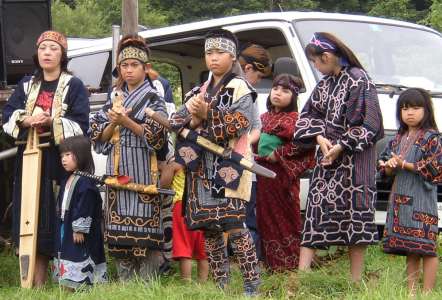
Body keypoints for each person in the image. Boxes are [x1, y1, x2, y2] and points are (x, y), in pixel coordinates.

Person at [170, 29, 260, 296]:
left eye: (220, 52)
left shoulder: (241, 87)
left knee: (234, 226)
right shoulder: (199, 90)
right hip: (201, 169)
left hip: (230, 165)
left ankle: (251, 285)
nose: (214, 58)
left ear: (232, 56)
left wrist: (206, 114)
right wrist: (195, 120)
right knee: (209, 229)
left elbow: (240, 123)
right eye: (209, 52)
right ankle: (220, 285)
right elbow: (176, 121)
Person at [293, 32, 384, 282]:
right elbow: (306, 118)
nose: (315, 66)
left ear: (326, 56)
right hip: (326, 160)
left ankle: (355, 281)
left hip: (355, 163)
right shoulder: (324, 85)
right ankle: (302, 276)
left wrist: (343, 144)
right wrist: (319, 138)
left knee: (355, 218)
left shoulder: (359, 80)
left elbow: (371, 124)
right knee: (314, 213)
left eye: (315, 61)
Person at [2, 30, 89, 286]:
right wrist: (25, 119)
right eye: (43, 48)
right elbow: (8, 117)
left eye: (53, 48)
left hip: (58, 160)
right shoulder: (27, 85)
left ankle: (60, 279)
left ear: (62, 55)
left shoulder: (74, 85)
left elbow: (82, 124)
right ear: (37, 53)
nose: (47, 53)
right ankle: (30, 282)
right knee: (29, 215)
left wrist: (53, 121)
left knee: (54, 215)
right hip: (29, 159)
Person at [89, 34, 167, 281]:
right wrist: (113, 123)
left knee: (146, 236)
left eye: (135, 65)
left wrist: (126, 121)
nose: (129, 70)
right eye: (125, 65)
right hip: (117, 170)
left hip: (145, 170)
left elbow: (158, 138)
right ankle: (125, 285)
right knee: (119, 236)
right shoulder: (113, 98)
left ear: (146, 68)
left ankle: (147, 284)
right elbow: (96, 134)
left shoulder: (154, 98)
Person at [377, 88, 441, 295]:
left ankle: (428, 292)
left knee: (427, 249)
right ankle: (411, 292)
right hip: (400, 200)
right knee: (411, 249)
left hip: (422, 200)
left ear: (426, 110)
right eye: (405, 108)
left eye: (415, 107)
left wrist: (405, 164)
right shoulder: (398, 137)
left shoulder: (432, 138)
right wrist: (388, 165)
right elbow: (384, 167)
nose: (409, 113)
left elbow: (435, 169)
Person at [256, 74, 315, 271]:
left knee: (287, 219)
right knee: (265, 218)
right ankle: (272, 264)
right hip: (263, 177)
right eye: (275, 89)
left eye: (285, 91)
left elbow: (305, 145)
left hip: (283, 178)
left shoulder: (296, 120)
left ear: (293, 97)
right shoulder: (263, 118)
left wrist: (278, 153)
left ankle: (291, 263)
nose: (278, 93)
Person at [52, 136, 107, 289]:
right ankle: (67, 282)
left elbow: (85, 205)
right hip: (66, 224)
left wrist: (79, 228)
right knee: (66, 251)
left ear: (81, 154)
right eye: (62, 155)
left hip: (79, 230)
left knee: (80, 252)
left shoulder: (85, 181)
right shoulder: (67, 179)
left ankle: (82, 283)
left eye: (68, 155)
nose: (64, 159)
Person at [238, 43, 272, 259]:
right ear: (248, 68)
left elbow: (256, 127)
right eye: (258, 75)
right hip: (222, 160)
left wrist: (244, 143)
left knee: (248, 215)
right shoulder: (222, 87)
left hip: (244, 161)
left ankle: (250, 262)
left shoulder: (251, 94)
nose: (258, 81)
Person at [160, 158, 208, 282]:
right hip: (205, 206)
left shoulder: (176, 164)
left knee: (184, 244)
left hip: (182, 206)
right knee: (203, 249)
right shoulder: (206, 161)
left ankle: (186, 283)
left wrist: (166, 167)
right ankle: (203, 285)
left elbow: (163, 184)